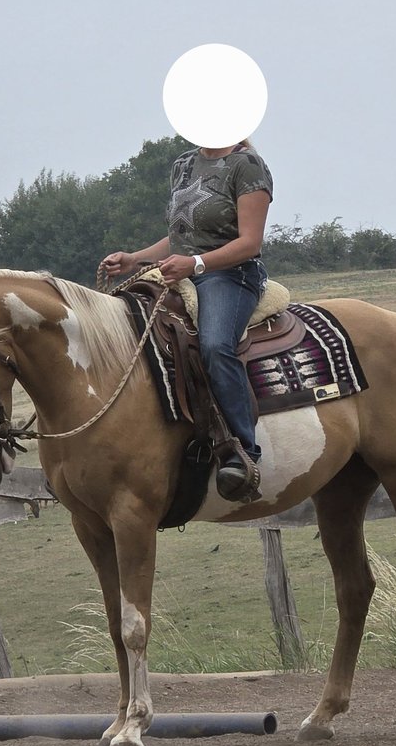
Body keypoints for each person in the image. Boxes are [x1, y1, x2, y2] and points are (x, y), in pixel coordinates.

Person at [100, 139, 273, 500]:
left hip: (232, 275)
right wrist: (135, 259)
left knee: (214, 344)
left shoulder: (248, 166)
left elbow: (250, 243)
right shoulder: (184, 164)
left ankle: (244, 452)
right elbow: (182, 236)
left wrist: (195, 264)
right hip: (184, 273)